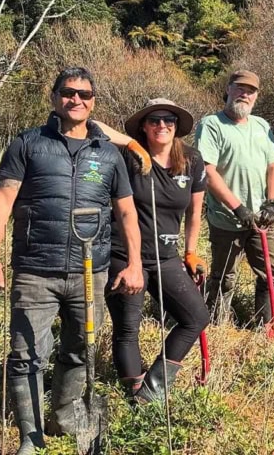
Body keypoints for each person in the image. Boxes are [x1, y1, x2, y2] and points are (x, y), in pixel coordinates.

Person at [0, 67, 143, 454]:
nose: (77, 100)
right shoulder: (28, 144)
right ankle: (30, 437)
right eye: (69, 93)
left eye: (85, 95)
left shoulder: (107, 154)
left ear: (93, 102)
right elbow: (2, 201)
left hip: (91, 270)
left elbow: (125, 213)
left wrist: (134, 262)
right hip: (36, 270)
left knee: (80, 349)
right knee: (26, 355)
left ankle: (65, 418)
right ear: (54, 97)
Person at [98, 99, 210, 401]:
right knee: (128, 327)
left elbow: (195, 213)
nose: (162, 125)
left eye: (168, 120)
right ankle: (135, 391)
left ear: (176, 125)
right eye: (154, 120)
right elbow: (91, 125)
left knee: (196, 317)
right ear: (144, 126)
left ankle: (153, 388)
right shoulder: (128, 157)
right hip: (124, 254)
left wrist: (191, 251)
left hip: (167, 257)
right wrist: (132, 144)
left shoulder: (192, 159)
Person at [195, 69, 274, 325]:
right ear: (228, 89)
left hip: (262, 219)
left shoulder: (261, 126)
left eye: (250, 91)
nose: (244, 94)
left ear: (256, 96)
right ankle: (218, 327)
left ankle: (265, 328)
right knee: (224, 276)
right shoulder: (211, 124)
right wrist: (237, 208)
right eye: (239, 88)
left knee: (272, 274)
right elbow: (208, 171)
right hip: (227, 219)